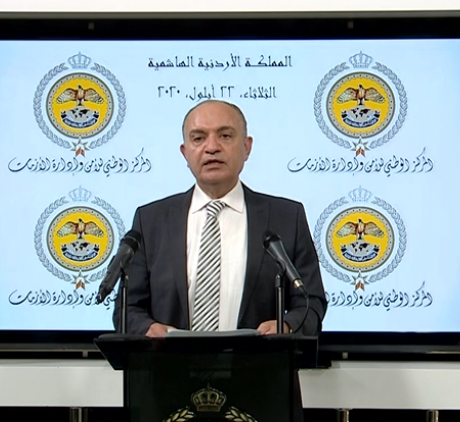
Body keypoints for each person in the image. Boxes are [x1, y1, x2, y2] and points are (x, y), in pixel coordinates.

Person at [112, 100, 327, 422]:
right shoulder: (151, 219)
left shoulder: (285, 217)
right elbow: (127, 308)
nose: (211, 147)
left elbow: (311, 302)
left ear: (246, 147)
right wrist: (147, 328)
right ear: (185, 152)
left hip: (260, 390)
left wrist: (286, 326)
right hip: (168, 391)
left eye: (225, 136)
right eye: (198, 138)